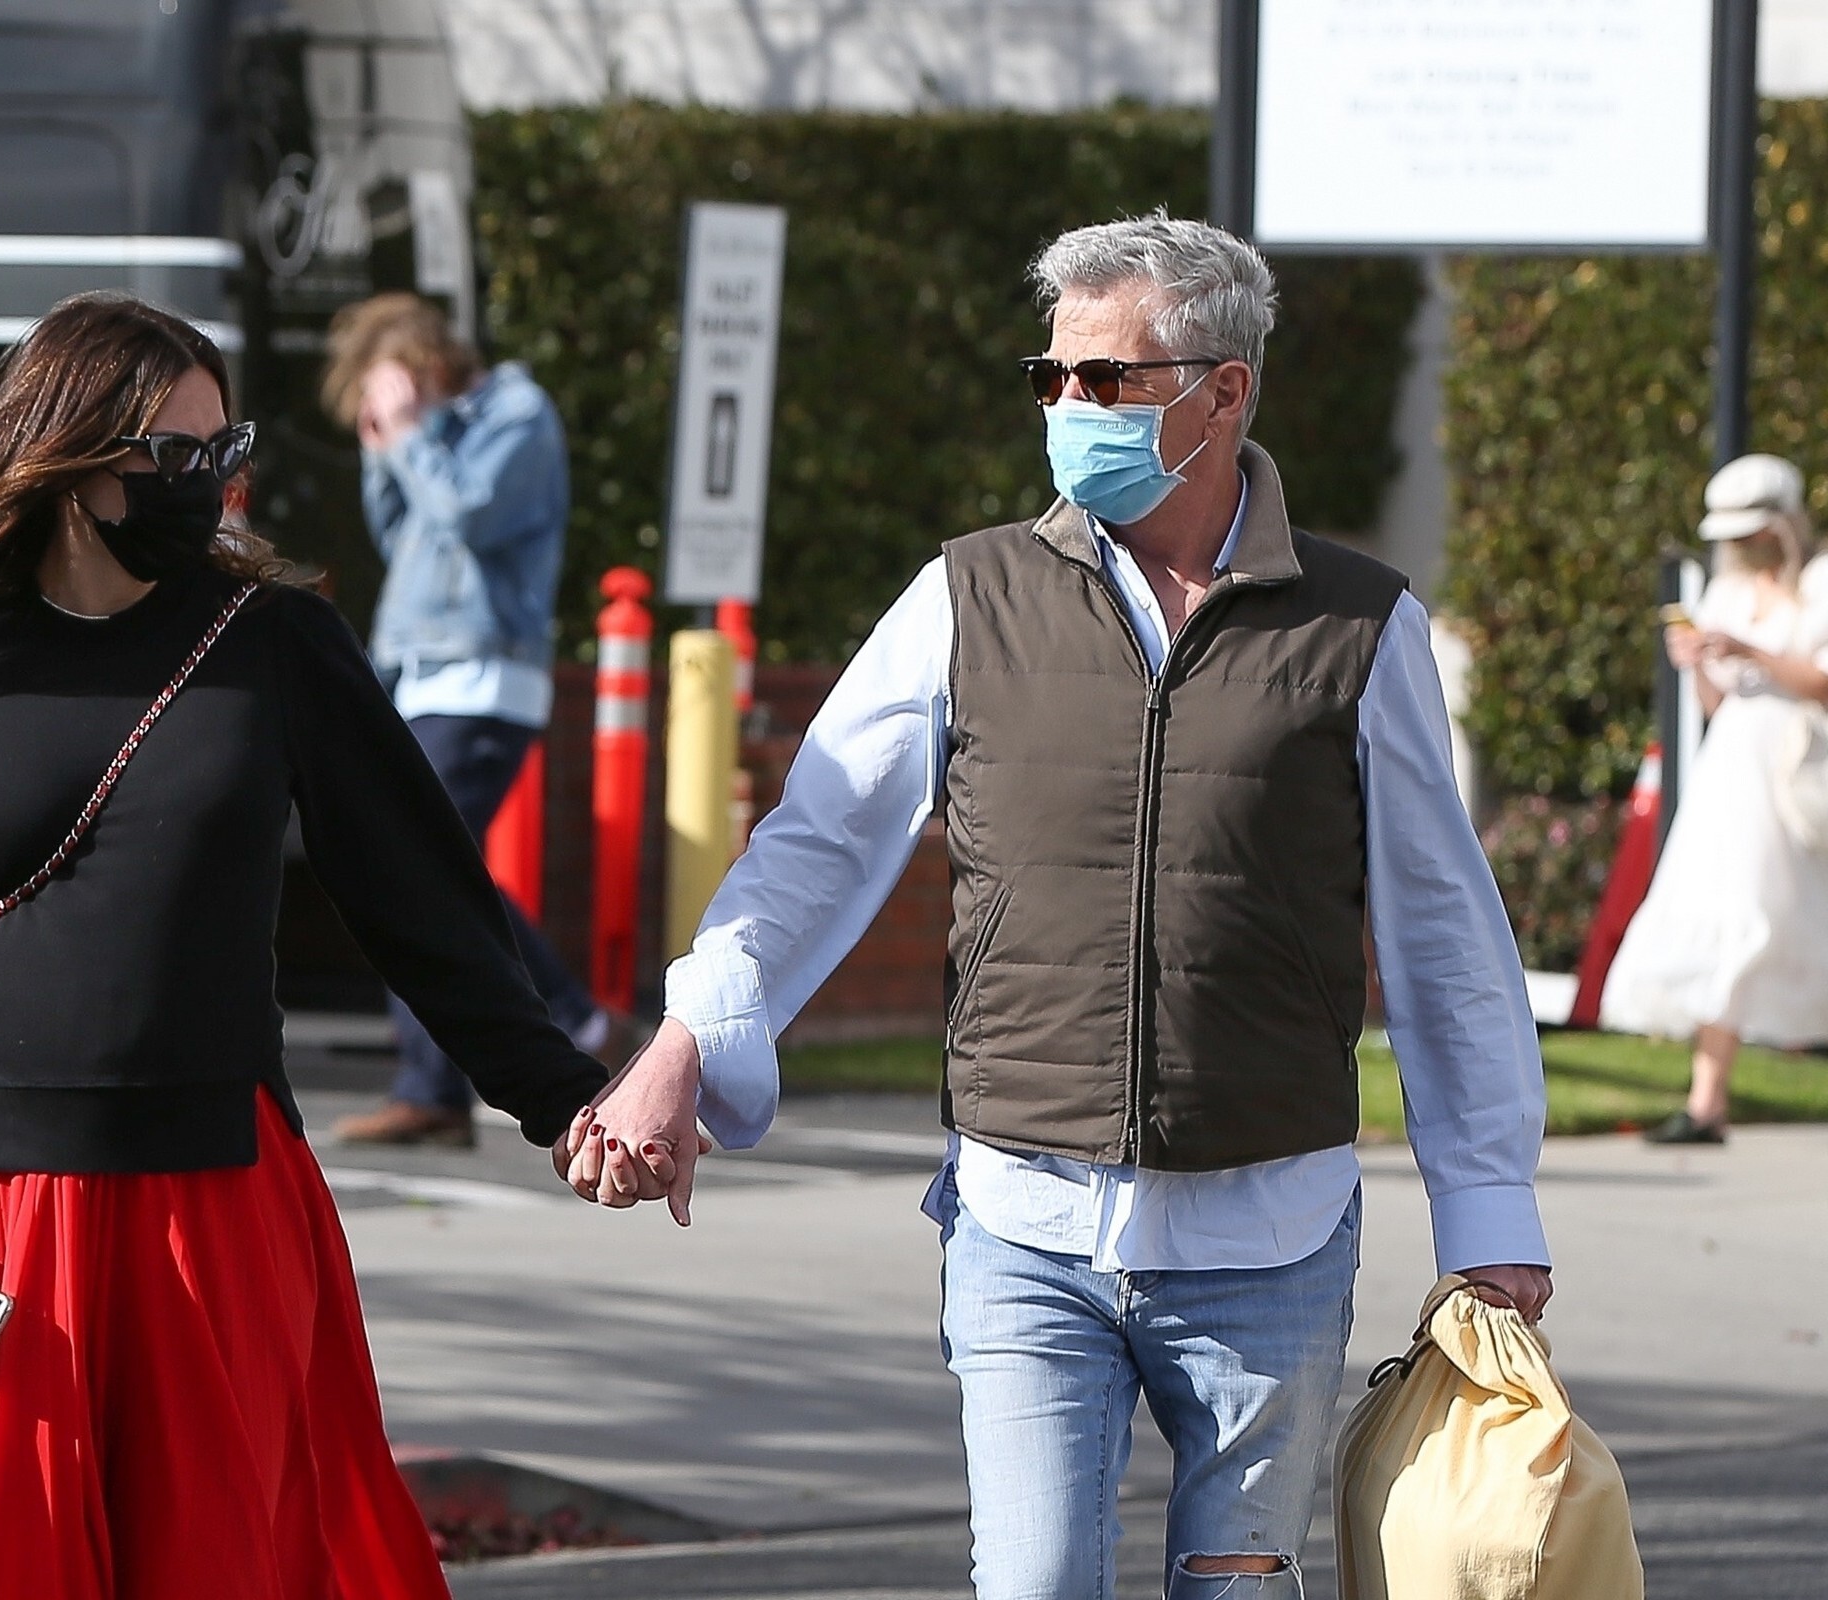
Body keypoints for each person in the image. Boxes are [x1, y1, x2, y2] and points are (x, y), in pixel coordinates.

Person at [567, 213, 1554, 1599]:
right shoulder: (967, 596)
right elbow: (817, 842)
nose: (1070, 407)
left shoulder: (1359, 624)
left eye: (1109, 379)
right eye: (1053, 377)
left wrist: (1490, 1211)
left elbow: (1445, 929)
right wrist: (689, 1039)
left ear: (1225, 392)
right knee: (1033, 1584)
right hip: (1024, 1220)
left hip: (1268, 1234)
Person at [0, 292, 609, 1600]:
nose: (208, 483)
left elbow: (427, 907)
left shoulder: (274, 644)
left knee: (228, 1563)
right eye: (173, 454)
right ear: (66, 457)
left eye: (223, 451)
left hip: (216, 1207)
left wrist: (566, 1102)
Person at [319, 292, 622, 1148]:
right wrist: (384, 452)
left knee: (413, 860)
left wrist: (412, 436)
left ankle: (514, 1047)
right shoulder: (431, 434)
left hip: (484, 679)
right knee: (414, 862)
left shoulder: (517, 414)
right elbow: (404, 538)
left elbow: (469, 516)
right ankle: (462, 1077)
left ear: (423, 363)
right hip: (419, 675)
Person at [1601, 453, 1828, 1142]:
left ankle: (1709, 1101)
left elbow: (1821, 683)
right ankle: (1707, 1100)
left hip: (1795, 769)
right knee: (1726, 916)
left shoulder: (1819, 583)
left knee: (1788, 919)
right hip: (1730, 769)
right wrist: (1697, 662)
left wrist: (1750, 650)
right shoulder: (1725, 592)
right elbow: (1716, 702)